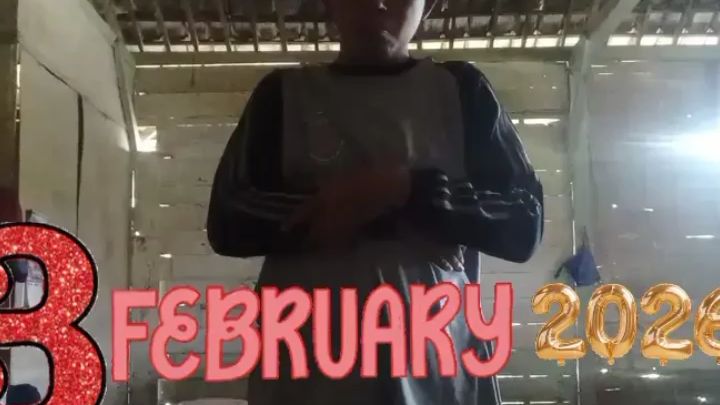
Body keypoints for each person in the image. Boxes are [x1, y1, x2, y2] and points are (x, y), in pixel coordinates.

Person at [207, 0, 544, 404]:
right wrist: (373, 202)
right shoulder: (282, 96)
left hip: (438, 371)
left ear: (429, 6)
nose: (378, 3)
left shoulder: (461, 90)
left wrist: (405, 190)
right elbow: (228, 217)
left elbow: (523, 220)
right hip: (307, 374)